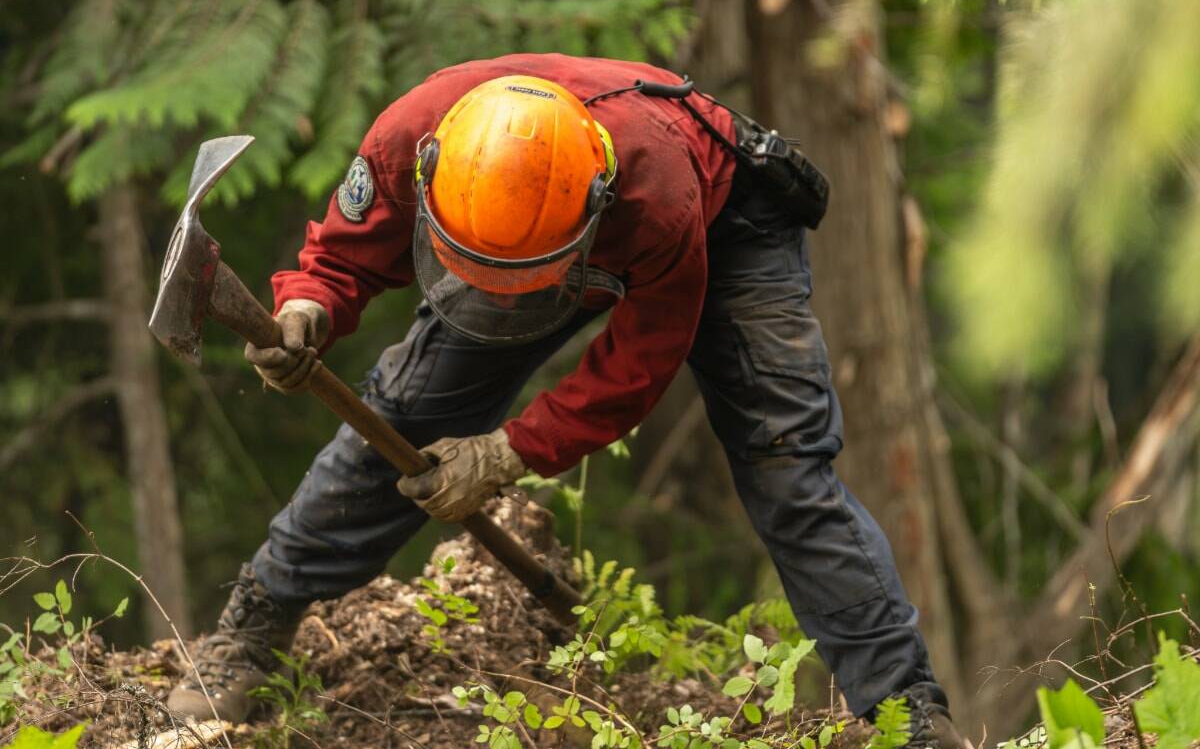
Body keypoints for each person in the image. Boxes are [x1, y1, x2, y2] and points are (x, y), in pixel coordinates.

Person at [166, 53, 965, 746]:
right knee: (406, 408)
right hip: (528, 221)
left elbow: (640, 363)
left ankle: (908, 713)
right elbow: (343, 254)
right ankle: (255, 622)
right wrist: (307, 307)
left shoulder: (659, 198)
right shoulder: (413, 136)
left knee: (787, 469)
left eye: (519, 280)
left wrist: (505, 453)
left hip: (729, 218)